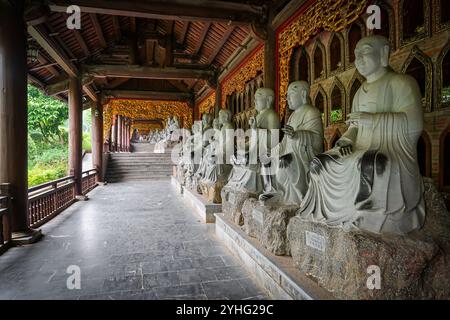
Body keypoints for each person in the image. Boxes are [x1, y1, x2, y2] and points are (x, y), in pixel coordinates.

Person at [298, 35, 425, 235]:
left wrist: (372, 120)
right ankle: (323, 212)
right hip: (357, 147)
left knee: (371, 164)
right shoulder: (359, 92)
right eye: (356, 55)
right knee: (319, 162)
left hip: (388, 149)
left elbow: (414, 124)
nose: (359, 59)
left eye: (364, 52)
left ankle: (365, 213)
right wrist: (347, 139)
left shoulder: (402, 83)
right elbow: (354, 127)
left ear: (383, 53)